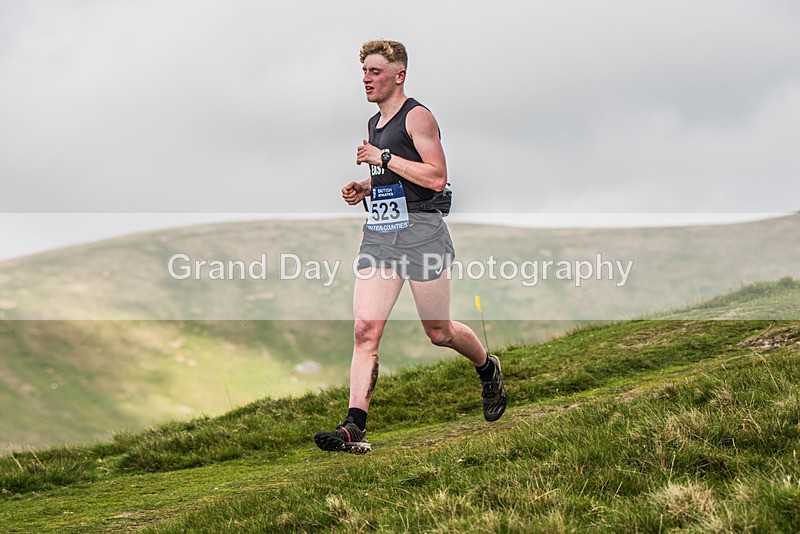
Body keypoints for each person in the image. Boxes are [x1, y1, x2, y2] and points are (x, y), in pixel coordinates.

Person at [314, 40, 506, 454]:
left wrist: (381, 158)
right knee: (365, 331)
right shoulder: (373, 123)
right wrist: (365, 186)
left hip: (422, 233)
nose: (366, 79)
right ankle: (354, 426)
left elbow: (436, 177)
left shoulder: (418, 116)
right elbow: (398, 176)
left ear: (399, 75)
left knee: (439, 331)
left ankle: (487, 368)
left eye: (375, 71)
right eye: (363, 71)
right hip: (382, 233)